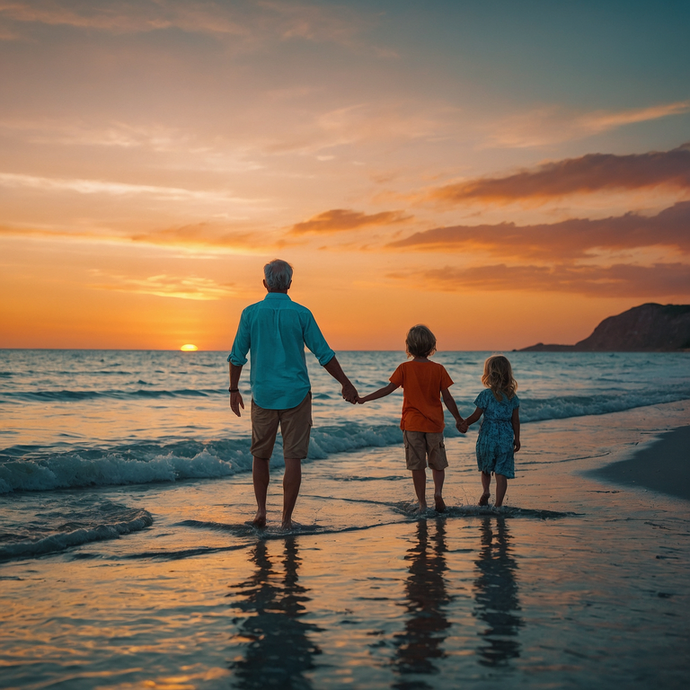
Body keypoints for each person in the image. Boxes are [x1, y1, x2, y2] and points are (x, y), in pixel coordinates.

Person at [228, 259, 358, 530]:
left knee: (260, 456)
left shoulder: (250, 313)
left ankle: (261, 512)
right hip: (296, 395)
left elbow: (237, 356)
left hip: (262, 394)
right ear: (289, 283)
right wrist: (345, 383)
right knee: (292, 459)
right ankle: (286, 519)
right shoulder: (301, 314)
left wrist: (233, 389)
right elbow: (324, 354)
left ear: (265, 283)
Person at [358, 325, 466, 513]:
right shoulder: (438, 369)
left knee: (417, 466)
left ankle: (422, 503)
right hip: (434, 425)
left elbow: (387, 389)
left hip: (412, 425)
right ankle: (438, 493)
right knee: (437, 463)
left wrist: (364, 398)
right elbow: (447, 397)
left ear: (409, 346)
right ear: (432, 345)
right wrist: (458, 418)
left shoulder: (404, 368)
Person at [463, 355, 521, 508]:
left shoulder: (486, 395)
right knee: (501, 473)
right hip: (506, 437)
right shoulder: (512, 397)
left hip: (488, 436)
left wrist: (463, 423)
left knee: (486, 468)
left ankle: (486, 491)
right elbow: (515, 420)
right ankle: (498, 505)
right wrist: (517, 439)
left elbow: (476, 416)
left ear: (489, 374)